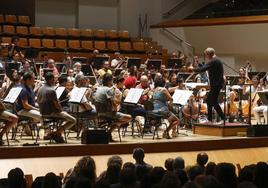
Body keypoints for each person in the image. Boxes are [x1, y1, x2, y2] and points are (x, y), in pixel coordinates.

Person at [37, 72, 76, 143]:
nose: (55, 81)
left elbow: (38, 100)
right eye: (54, 79)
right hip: (52, 113)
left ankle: (56, 134)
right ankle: (56, 133)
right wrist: (62, 111)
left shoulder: (40, 88)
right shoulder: (51, 90)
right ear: (51, 79)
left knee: (66, 113)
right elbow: (57, 105)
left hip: (42, 113)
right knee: (73, 120)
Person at [94, 73, 131, 141]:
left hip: (98, 113)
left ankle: (112, 127)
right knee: (129, 117)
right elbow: (112, 102)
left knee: (117, 119)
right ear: (109, 81)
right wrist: (116, 107)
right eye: (112, 80)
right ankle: (109, 132)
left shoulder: (99, 89)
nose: (112, 82)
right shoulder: (108, 90)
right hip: (107, 113)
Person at [192, 47, 225, 124]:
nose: (206, 57)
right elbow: (205, 67)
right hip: (216, 84)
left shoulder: (214, 60)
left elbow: (203, 69)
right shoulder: (215, 60)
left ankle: (222, 118)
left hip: (216, 85)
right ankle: (210, 120)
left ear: (209, 54)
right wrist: (198, 64)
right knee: (209, 101)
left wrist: (193, 69)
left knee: (213, 101)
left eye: (206, 55)